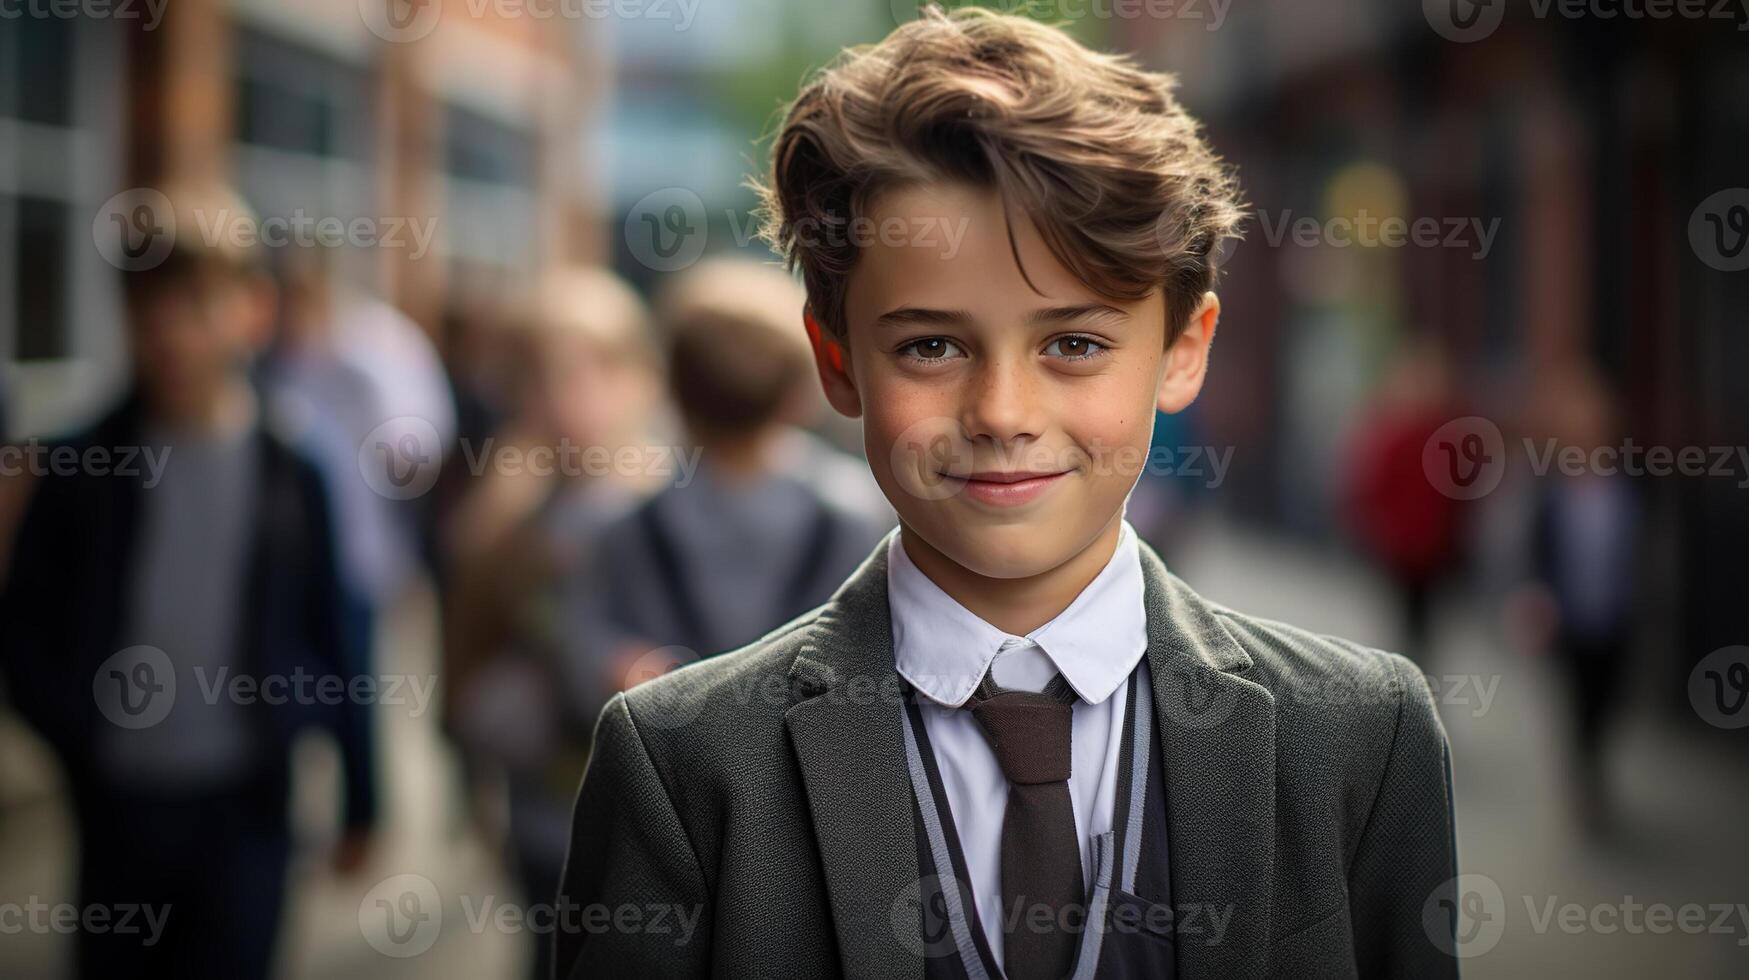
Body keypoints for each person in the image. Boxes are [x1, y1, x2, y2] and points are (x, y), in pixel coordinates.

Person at [555, 9, 1458, 978]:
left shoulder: (1359, 733)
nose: (1002, 411)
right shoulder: (684, 767)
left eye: (1073, 343)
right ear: (837, 361)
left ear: (1183, 349)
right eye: (931, 345)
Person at [0, 181, 377, 979]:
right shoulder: (82, 462)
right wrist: (74, 727)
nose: (170, 334)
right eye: (148, 311)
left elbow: (340, 629)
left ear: (252, 310)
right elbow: (22, 621)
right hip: (118, 806)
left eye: (195, 307)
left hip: (248, 803)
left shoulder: (293, 465)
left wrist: (362, 795)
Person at [440, 267, 665, 980]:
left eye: (595, 371)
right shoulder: (503, 528)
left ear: (643, 377)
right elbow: (461, 669)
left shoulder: (678, 510)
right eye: (538, 379)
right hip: (550, 827)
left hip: (666, 834)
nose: (569, 400)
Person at [583, 257, 890, 665]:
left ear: (672, 392)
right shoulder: (861, 511)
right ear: (799, 396)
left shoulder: (617, 521)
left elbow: (591, 640)